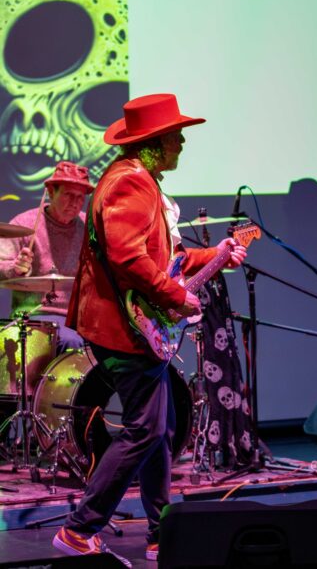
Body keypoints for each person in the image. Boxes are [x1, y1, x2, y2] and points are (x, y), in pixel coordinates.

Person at [52, 93, 247, 566]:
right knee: (145, 428)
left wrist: (217, 255)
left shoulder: (141, 180)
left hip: (130, 325)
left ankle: (162, 532)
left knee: (160, 430)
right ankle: (79, 529)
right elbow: (128, 258)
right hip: (121, 329)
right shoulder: (130, 183)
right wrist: (176, 298)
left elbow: (166, 259)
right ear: (154, 143)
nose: (182, 143)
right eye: (175, 136)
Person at [0, 161, 94, 353]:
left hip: (78, 317)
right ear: (51, 192)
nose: (75, 203)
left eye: (80, 197)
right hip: (35, 315)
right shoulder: (24, 223)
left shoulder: (88, 227)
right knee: (72, 341)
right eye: (68, 195)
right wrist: (15, 268)